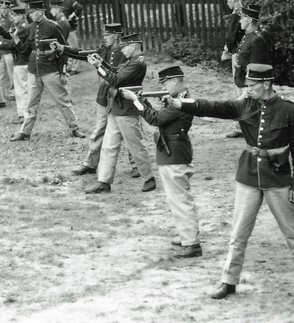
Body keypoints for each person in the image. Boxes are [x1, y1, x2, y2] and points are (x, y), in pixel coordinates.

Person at [167, 63, 294, 298]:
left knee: (292, 232)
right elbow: (214, 106)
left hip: (278, 178)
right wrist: (181, 104)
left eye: (252, 86)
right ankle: (228, 281)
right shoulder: (245, 105)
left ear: (266, 84)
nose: (247, 90)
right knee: (238, 234)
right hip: (248, 176)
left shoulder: (289, 110)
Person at [121, 65, 202, 259]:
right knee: (176, 199)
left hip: (174, 154)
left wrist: (137, 101)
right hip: (172, 152)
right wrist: (144, 101)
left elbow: (154, 119)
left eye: (165, 82)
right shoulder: (179, 99)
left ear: (174, 81)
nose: (164, 86)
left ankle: (191, 242)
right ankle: (186, 236)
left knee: (180, 200)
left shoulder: (182, 101)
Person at [83, 32, 156, 193]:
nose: (121, 51)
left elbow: (116, 79)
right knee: (108, 146)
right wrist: (102, 63)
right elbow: (116, 71)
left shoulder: (138, 63)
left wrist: (98, 67)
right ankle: (104, 181)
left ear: (133, 47)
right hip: (117, 108)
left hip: (127, 111)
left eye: (124, 48)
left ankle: (149, 178)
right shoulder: (133, 61)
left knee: (135, 146)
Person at [68, 23, 140, 179]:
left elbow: (117, 76)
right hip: (104, 95)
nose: (104, 38)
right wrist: (63, 49)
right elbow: (83, 54)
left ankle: (137, 165)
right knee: (99, 129)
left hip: (121, 97)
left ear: (115, 35)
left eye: (107, 35)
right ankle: (90, 164)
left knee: (129, 132)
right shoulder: (104, 49)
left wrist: (100, 65)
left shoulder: (128, 53)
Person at [10, 0, 84, 141]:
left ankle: (74, 128)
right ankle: (25, 132)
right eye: (30, 13)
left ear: (41, 12)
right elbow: (25, 51)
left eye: (32, 12)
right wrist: (15, 39)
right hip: (34, 69)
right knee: (31, 103)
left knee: (62, 100)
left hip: (50, 69)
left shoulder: (52, 27)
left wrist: (62, 71)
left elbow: (64, 49)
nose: (30, 15)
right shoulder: (30, 27)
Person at [220, 0, 246, 138]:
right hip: (246, 53)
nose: (228, 4)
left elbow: (231, 37)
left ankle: (240, 126)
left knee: (239, 87)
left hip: (238, 53)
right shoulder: (246, 13)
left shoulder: (237, 15)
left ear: (235, 0)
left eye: (229, 1)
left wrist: (228, 50)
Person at [5, 2, 32, 124]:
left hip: (22, 61)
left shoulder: (23, 27)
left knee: (21, 89)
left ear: (21, 16)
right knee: (23, 87)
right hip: (20, 60)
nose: (12, 17)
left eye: (15, 15)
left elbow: (11, 43)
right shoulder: (21, 26)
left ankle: (24, 114)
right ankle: (25, 113)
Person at [57, 0, 84, 74]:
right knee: (67, 47)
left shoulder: (70, 0)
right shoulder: (61, 2)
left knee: (73, 47)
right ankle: (69, 67)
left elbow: (79, 7)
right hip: (64, 28)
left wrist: (73, 16)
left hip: (71, 27)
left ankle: (75, 68)